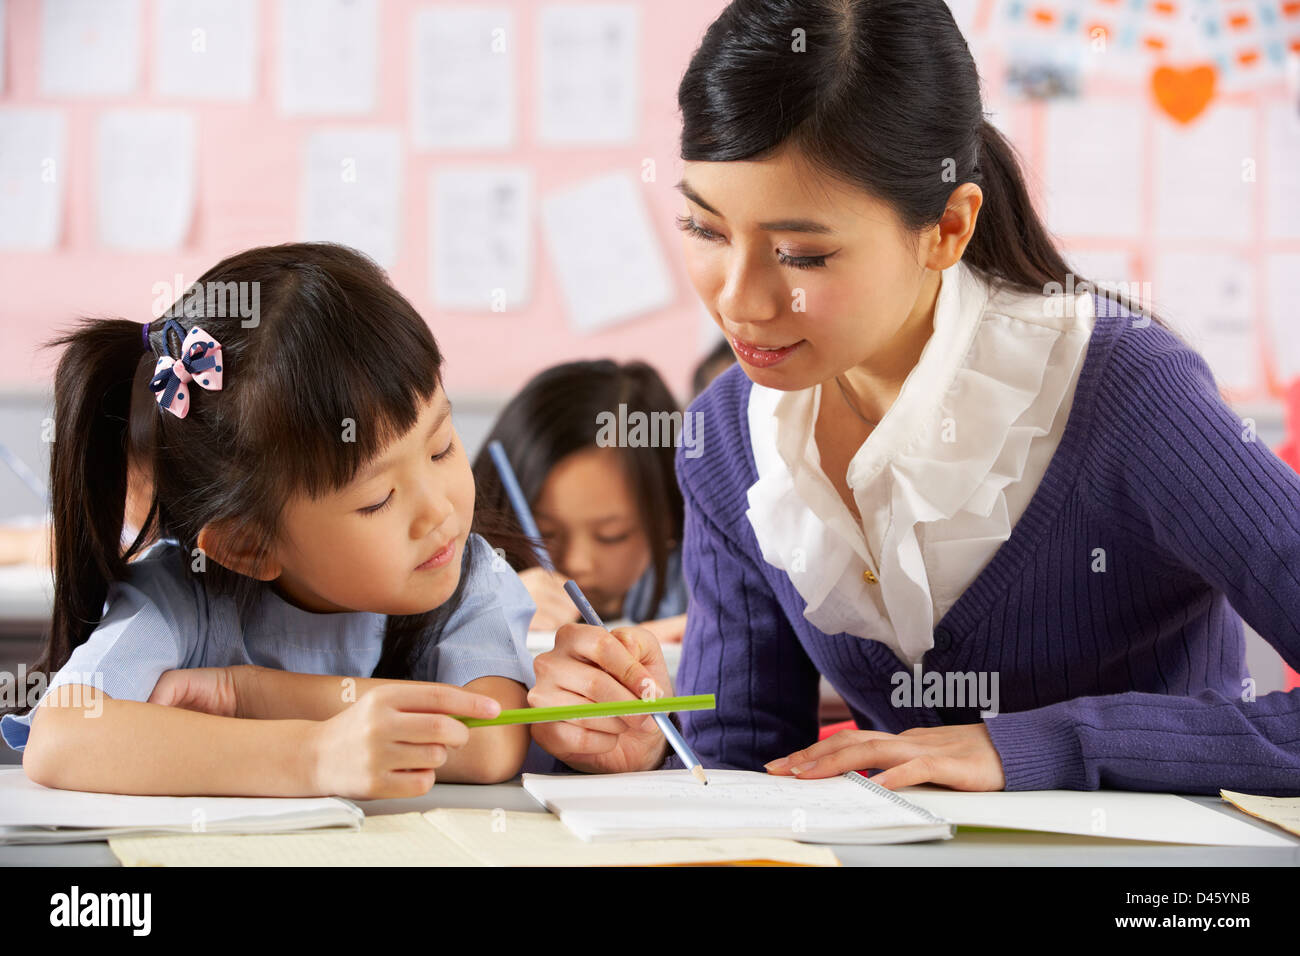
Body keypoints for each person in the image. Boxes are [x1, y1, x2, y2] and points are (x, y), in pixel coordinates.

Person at [526, 0, 1300, 795]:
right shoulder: (727, 435)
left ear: (948, 228)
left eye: (802, 254)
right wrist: (649, 750)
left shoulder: (1130, 392)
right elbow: (750, 764)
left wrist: (1026, 748)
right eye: (706, 229)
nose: (742, 301)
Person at [1, 242, 541, 799]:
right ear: (246, 546)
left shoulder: (467, 574)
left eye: (442, 448)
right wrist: (312, 758)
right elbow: (62, 734)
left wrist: (250, 695)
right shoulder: (188, 600)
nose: (439, 510)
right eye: (378, 499)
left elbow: (490, 736)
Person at [471, 360, 688, 644]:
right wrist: (482, 620)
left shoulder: (710, 588)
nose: (577, 562)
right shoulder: (474, 590)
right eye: (545, 532)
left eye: (611, 536)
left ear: (669, 518)